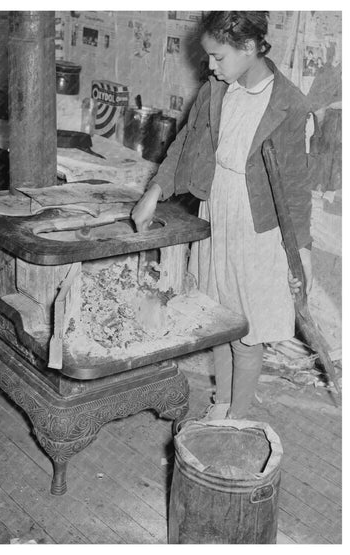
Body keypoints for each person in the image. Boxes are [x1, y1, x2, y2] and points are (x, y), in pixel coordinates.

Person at [132, 11, 317, 420]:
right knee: (217, 315)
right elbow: (184, 143)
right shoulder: (217, 88)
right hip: (216, 208)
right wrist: (154, 192)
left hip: (256, 225)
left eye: (218, 57)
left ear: (249, 48)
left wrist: (301, 250)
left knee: (245, 330)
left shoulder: (287, 104)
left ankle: (237, 417)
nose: (210, 67)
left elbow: (296, 188)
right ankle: (221, 403)